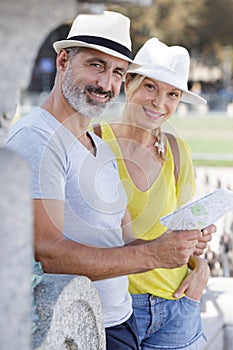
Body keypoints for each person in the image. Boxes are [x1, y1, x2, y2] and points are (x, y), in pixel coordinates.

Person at [4, 13, 213, 350]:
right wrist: (156, 256)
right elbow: (47, 255)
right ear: (63, 60)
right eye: (96, 65)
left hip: (119, 321)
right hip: (78, 326)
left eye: (117, 72)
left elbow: (124, 237)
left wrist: (184, 249)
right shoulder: (37, 138)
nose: (106, 84)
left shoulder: (97, 146)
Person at [92, 37, 216, 349]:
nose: (159, 102)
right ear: (128, 83)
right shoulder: (92, 143)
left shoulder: (178, 151)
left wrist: (199, 259)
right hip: (116, 312)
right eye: (150, 87)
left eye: (172, 94)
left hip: (177, 307)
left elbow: (180, 231)